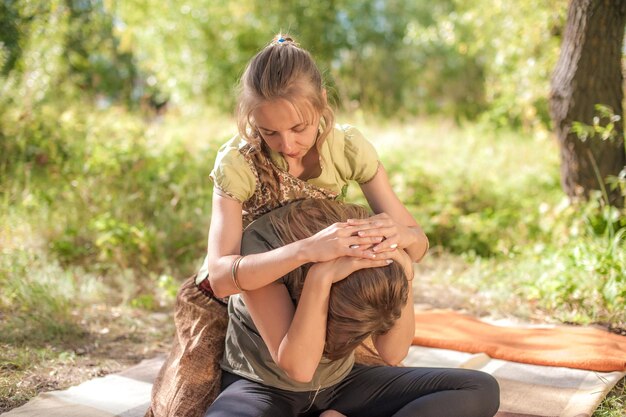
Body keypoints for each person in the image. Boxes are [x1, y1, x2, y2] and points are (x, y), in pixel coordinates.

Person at [146, 34, 430, 417]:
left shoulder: (346, 148)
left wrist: (403, 237)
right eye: (269, 132)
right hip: (245, 292)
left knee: (347, 368)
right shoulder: (238, 164)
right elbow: (222, 277)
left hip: (325, 285)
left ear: (323, 104)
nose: (287, 144)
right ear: (252, 122)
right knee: (180, 405)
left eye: (299, 127)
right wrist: (309, 250)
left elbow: (418, 244)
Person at [205, 199, 500, 417]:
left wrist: (404, 268)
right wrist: (320, 279)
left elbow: (393, 353)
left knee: (479, 388)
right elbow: (300, 368)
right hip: (263, 387)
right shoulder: (263, 244)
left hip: (340, 384)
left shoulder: (365, 238)